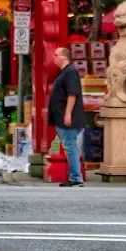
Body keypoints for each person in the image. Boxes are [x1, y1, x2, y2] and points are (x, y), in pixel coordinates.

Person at [47, 46, 88, 187]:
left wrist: (68, 114)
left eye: (55, 54)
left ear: (64, 57)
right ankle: (75, 176)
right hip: (61, 116)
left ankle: (76, 177)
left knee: (70, 146)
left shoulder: (70, 72)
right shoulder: (64, 72)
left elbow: (72, 94)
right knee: (69, 146)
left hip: (68, 117)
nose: (53, 57)